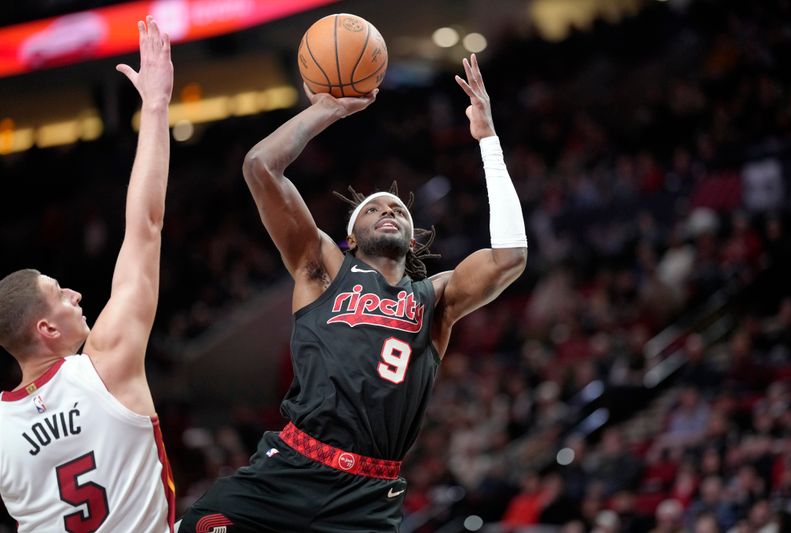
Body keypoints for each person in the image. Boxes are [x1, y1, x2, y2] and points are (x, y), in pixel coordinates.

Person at [178, 53, 527, 532]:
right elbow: (261, 167)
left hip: (368, 495)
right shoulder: (322, 269)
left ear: (411, 236)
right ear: (352, 238)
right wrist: (329, 109)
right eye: (374, 208)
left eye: (398, 209)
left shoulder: (434, 299)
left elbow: (509, 257)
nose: (389, 209)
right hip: (291, 467)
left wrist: (488, 141)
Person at [0, 16, 175, 533]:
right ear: (46, 330)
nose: (75, 293)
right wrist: (157, 107)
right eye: (59, 294)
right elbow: (144, 226)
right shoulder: (106, 364)